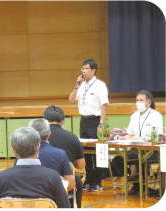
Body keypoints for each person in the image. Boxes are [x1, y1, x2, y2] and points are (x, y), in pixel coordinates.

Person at [0, 127, 70, 209]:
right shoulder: (53, 176)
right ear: (38, 148)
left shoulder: (2, 177)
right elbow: (64, 208)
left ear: (14, 151)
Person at [111, 90, 163, 195]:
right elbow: (130, 134)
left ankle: (139, 186)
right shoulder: (134, 115)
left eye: (141, 100)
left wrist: (142, 139)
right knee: (117, 160)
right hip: (135, 150)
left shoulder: (156, 115)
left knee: (140, 160)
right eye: (137, 100)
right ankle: (134, 179)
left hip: (151, 151)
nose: (138, 102)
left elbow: (159, 137)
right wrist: (121, 138)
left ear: (149, 102)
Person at [69, 59, 109, 191]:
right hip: (83, 120)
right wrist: (77, 85)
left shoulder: (100, 85)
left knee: (97, 152)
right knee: (86, 152)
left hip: (95, 120)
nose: (84, 71)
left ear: (93, 70)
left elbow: (104, 105)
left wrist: (101, 123)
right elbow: (71, 100)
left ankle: (97, 181)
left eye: (86, 68)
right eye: (82, 68)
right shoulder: (81, 85)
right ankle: (88, 179)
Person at [14, 118, 75, 191]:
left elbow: (17, 181)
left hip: (27, 198)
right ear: (49, 134)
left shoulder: (21, 155)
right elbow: (71, 184)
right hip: (53, 199)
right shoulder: (61, 154)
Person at [43, 106, 86, 209]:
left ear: (44, 121)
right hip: (64, 181)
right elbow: (81, 165)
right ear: (62, 121)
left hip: (40, 180)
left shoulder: (36, 138)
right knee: (77, 181)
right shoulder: (72, 137)